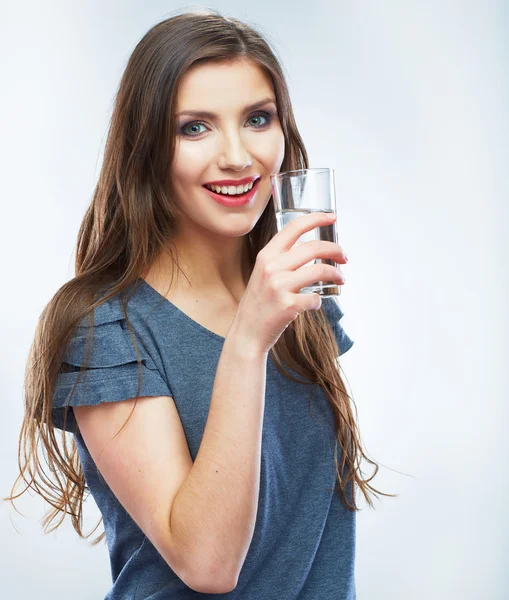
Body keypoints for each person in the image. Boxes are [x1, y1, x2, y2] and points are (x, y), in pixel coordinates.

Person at [4, 10, 396, 599]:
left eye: (257, 119)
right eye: (195, 128)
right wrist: (247, 340)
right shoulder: (106, 328)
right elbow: (207, 564)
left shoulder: (297, 299)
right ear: (147, 148)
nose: (239, 156)